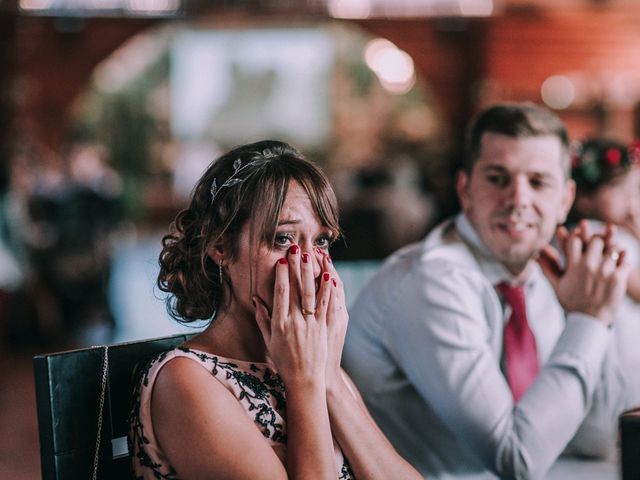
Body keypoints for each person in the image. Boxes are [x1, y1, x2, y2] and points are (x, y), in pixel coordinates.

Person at [342, 103, 631, 479]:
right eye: (497, 178)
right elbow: (517, 460)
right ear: (465, 190)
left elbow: (596, 435)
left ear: (565, 200)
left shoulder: (543, 277)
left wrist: (605, 312)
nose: (518, 199)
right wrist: (589, 321)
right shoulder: (434, 281)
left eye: (538, 182)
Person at [128, 140, 422, 480]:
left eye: (321, 241)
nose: (309, 265)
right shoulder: (186, 382)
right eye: (283, 239)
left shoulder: (317, 365)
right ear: (220, 246)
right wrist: (305, 382)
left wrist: (328, 380)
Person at [568, 137, 640, 414]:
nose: (630, 201)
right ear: (584, 199)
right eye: (617, 190)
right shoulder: (599, 235)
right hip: (614, 365)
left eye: (633, 191)